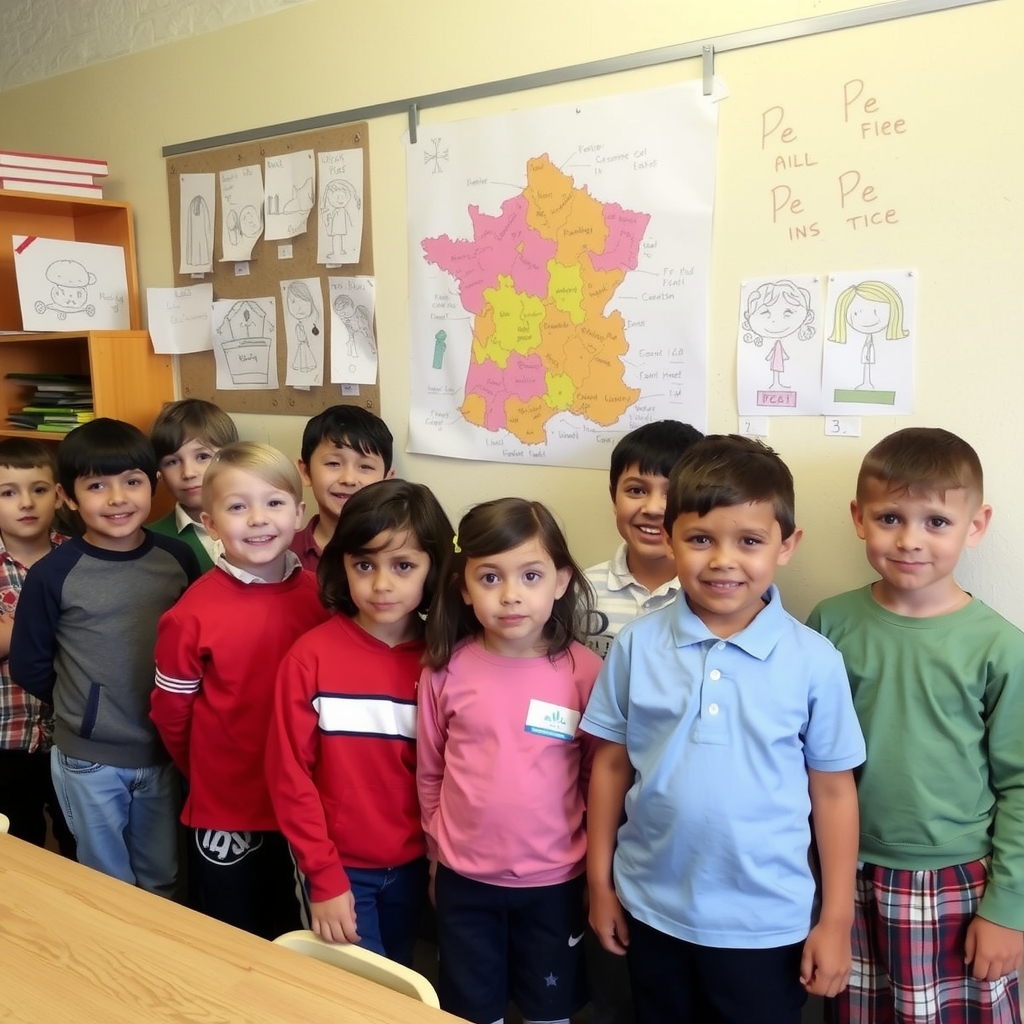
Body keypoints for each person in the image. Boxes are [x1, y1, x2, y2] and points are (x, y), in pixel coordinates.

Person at [582, 434, 865, 1024]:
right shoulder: (636, 645)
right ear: (673, 539)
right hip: (650, 909)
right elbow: (610, 764)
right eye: (701, 539)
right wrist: (600, 882)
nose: (722, 561)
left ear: (787, 546)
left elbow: (834, 792)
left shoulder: (814, 660)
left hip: (765, 926)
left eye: (750, 541)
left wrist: (836, 919)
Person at [806, 426, 1024, 1024]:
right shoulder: (830, 623)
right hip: (845, 870)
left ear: (975, 526)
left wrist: (1009, 908)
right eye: (890, 518)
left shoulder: (1001, 647)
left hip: (957, 880)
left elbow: (1022, 786)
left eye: (936, 521)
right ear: (858, 518)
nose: (910, 540)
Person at [418, 497, 602, 1024]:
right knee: (473, 1010)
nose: (511, 595)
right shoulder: (444, 670)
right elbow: (431, 770)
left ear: (561, 580)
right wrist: (437, 853)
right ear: (464, 586)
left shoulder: (583, 672)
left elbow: (595, 774)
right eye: (490, 577)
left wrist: (593, 869)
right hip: (464, 882)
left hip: (555, 883)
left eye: (530, 575)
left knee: (550, 1010)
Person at [10, 419, 200, 895]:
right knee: (106, 882)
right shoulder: (54, 574)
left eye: (132, 482)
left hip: (161, 752)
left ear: (153, 485)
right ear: (68, 497)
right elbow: (30, 664)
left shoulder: (177, 559)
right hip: (88, 760)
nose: (117, 498)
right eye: (97, 485)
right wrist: (85, 709)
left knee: (163, 875)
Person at [267, 478, 453, 965]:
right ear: (341, 564)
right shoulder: (310, 658)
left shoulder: (447, 663)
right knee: (353, 991)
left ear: (433, 570)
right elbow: (289, 776)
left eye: (404, 565)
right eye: (364, 564)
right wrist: (324, 876)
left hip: (417, 866)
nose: (382, 584)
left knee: (399, 975)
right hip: (337, 868)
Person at [151, 441, 329, 938]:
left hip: (305, 805)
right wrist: (208, 773)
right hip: (227, 806)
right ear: (210, 525)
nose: (257, 519)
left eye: (273, 503)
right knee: (234, 931)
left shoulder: (321, 598)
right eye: (236, 507)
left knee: (298, 932)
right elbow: (172, 715)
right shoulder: (192, 614)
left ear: (298, 513)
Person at [0, 438, 74, 855]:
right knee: (16, 850)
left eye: (39, 489)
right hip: (5, 741)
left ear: (60, 495)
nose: (25, 502)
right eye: (8, 492)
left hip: (69, 740)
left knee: (77, 844)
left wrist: (13, 631)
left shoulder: (79, 557)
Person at [585, 419, 704, 659]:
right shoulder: (581, 591)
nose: (653, 508)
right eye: (636, 490)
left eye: (672, 494)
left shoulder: (712, 593)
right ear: (613, 497)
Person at [290, 405, 393, 571]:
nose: (349, 479)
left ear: (387, 480)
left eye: (365, 467)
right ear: (306, 472)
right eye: (333, 463)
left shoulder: (401, 553)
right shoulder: (282, 553)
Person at [149, 398, 239, 572]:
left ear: (231, 459)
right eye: (172, 462)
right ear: (159, 472)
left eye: (203, 457)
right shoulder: (150, 540)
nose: (188, 473)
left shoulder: (258, 525)